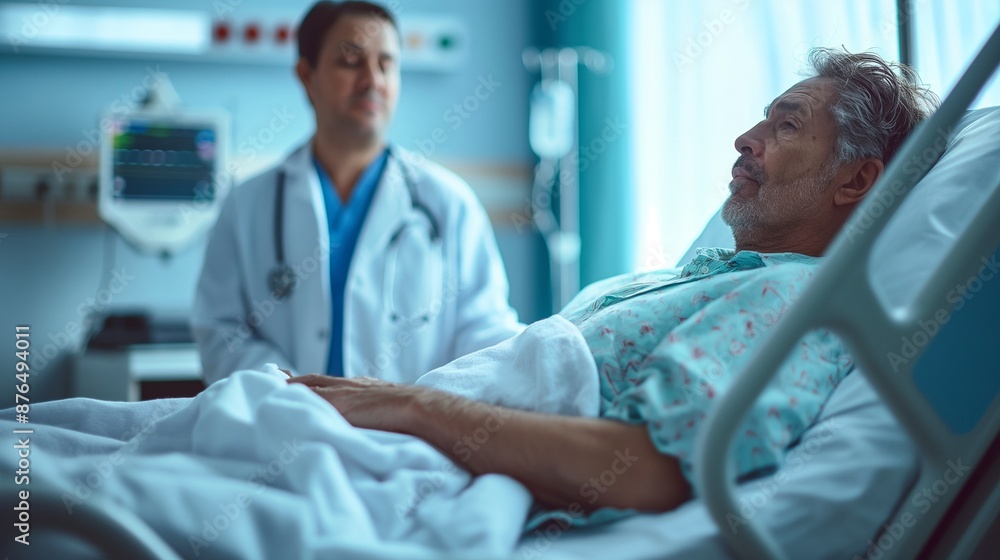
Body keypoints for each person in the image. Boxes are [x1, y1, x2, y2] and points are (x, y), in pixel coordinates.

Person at [287, 49, 939, 523]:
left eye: (788, 124)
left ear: (855, 181)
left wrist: (411, 407)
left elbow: (649, 470)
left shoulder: (786, 300)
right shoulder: (695, 279)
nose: (746, 138)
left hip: (413, 473)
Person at [192, 1, 523, 385]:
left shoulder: (449, 203)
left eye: (387, 64)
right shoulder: (247, 205)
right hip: (284, 424)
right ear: (306, 75)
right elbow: (221, 331)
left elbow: (484, 329)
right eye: (351, 61)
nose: (373, 80)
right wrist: (287, 391)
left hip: (410, 436)